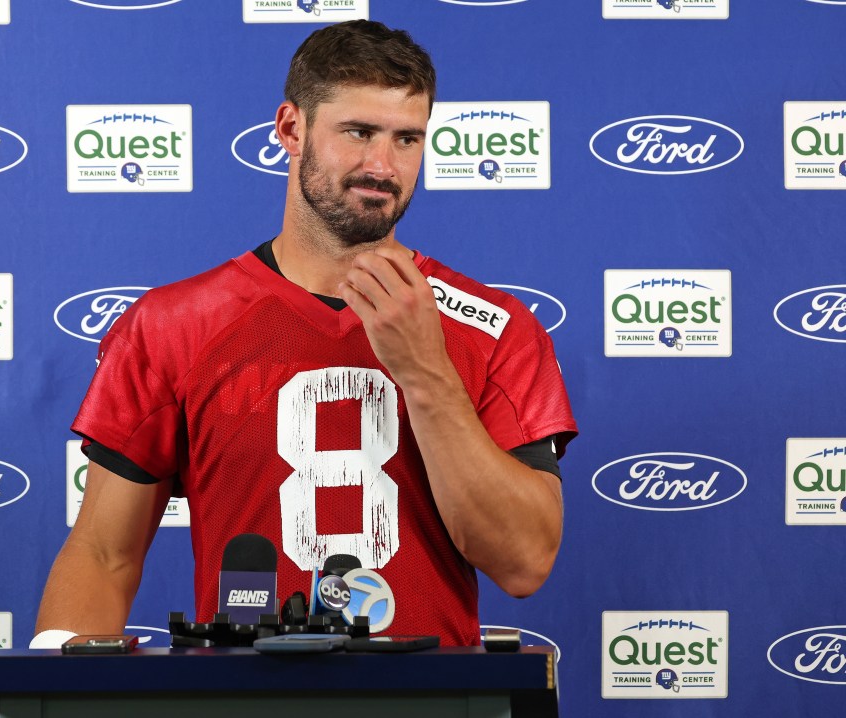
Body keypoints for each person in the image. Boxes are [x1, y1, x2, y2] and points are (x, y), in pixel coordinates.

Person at [34, 19, 577, 648]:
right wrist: (57, 676)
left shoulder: (496, 329)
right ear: (291, 129)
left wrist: (427, 373)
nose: (383, 165)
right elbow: (104, 554)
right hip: (239, 702)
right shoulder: (171, 326)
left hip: (430, 700)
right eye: (358, 132)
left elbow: (524, 562)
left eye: (407, 138)